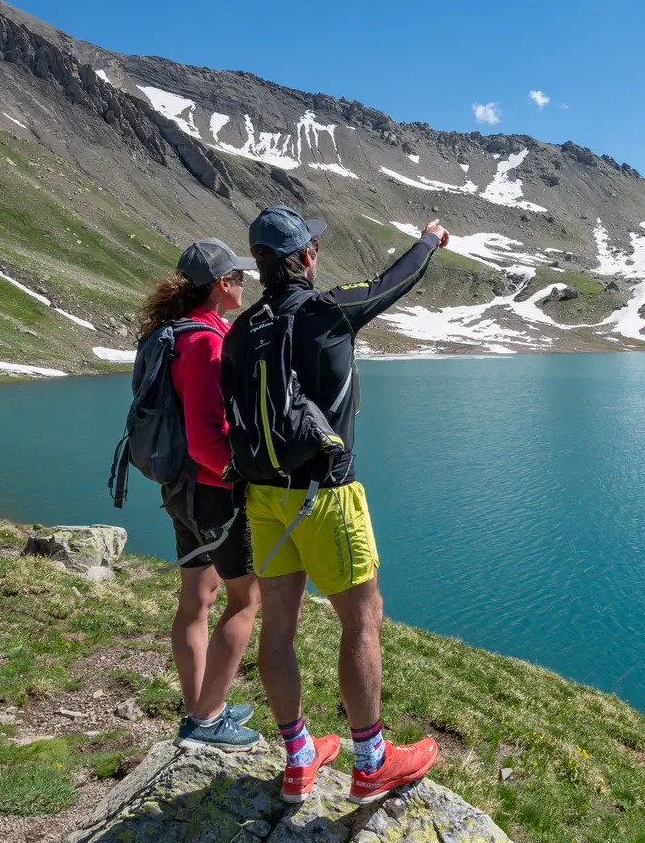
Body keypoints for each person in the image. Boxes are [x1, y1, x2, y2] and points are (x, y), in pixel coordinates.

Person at [230, 206, 448, 804]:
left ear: (260, 264)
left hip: (263, 499)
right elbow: (394, 282)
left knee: (278, 627)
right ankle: (371, 761)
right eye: (314, 249)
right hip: (325, 496)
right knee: (361, 619)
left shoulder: (241, 331)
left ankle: (299, 757)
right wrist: (428, 240)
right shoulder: (327, 313)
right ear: (306, 258)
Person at [135, 238, 263, 751]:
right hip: (213, 492)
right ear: (219, 285)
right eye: (237, 275)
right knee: (245, 600)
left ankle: (199, 706)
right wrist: (243, 476)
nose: (243, 282)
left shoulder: (172, 333)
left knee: (196, 599)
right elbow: (208, 436)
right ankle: (207, 721)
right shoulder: (206, 341)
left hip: (179, 489)